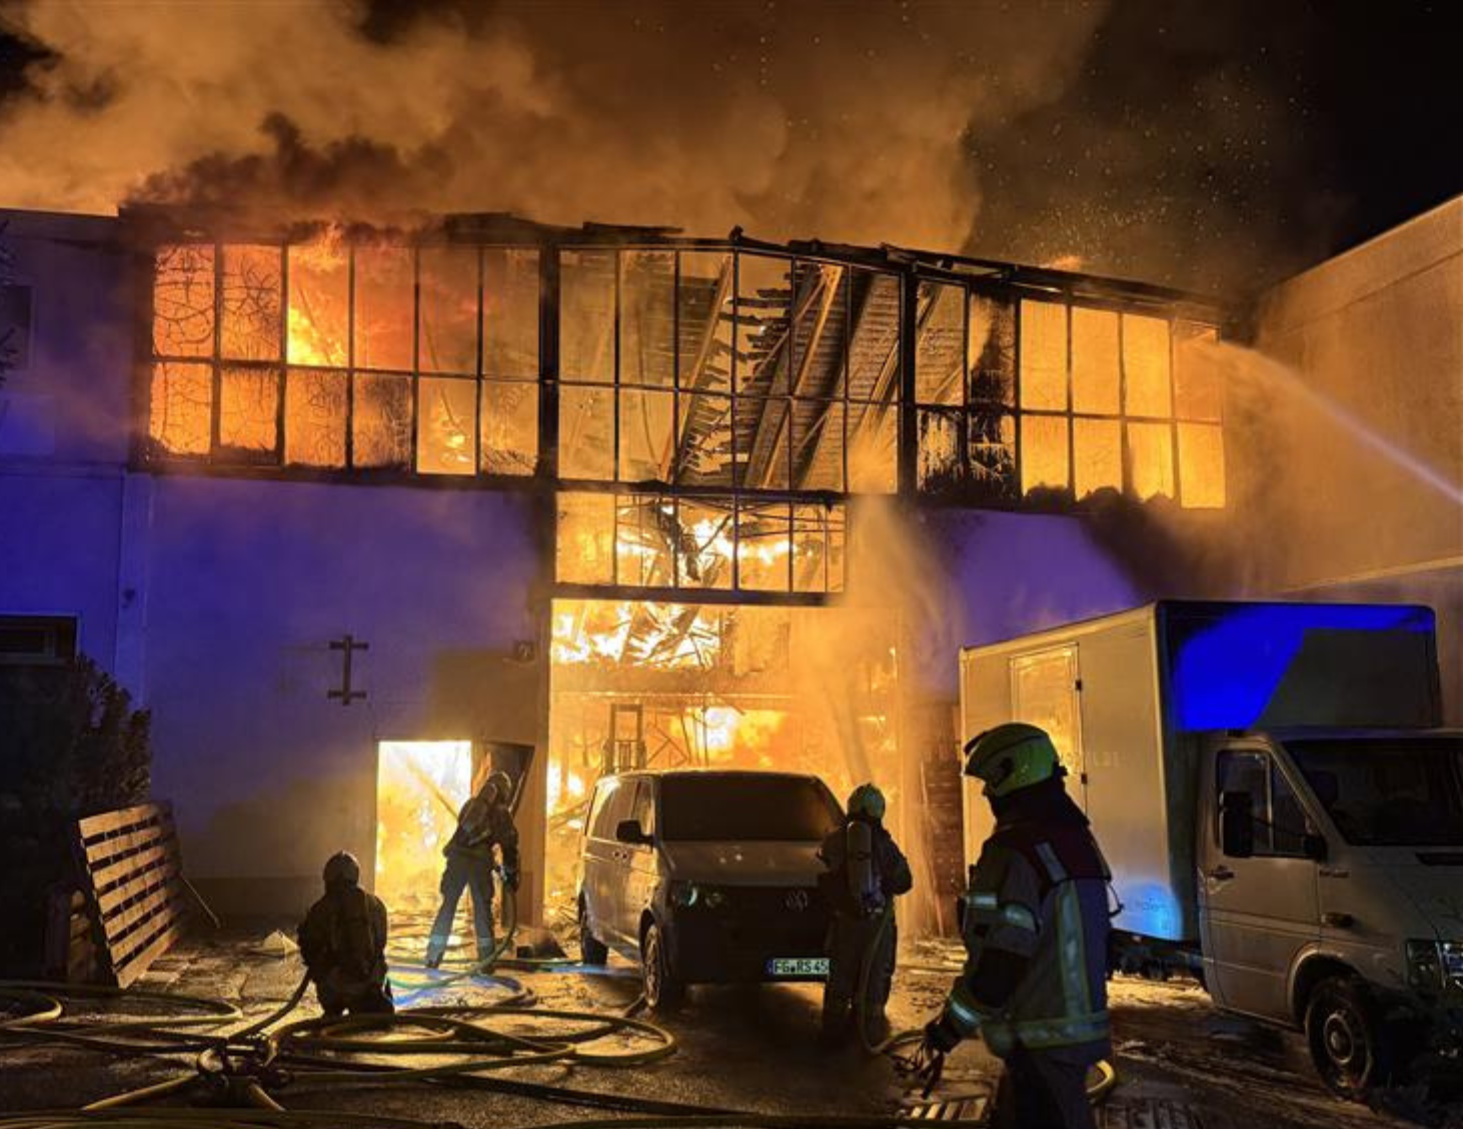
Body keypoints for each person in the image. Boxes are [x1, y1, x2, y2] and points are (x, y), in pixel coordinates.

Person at [920, 723, 1111, 1129]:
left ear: (1013, 773)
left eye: (990, 783)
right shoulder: (1077, 842)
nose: (986, 795)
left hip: (1038, 1039)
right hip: (1069, 1033)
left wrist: (949, 1028)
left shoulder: (1013, 852)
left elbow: (1001, 962)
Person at [817, 782, 912, 1048]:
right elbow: (905, 881)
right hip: (877, 923)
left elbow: (824, 867)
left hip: (844, 921)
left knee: (839, 975)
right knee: (875, 975)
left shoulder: (834, 840)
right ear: (878, 810)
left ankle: (831, 1033)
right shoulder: (884, 843)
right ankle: (869, 1033)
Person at [424, 768, 520, 969]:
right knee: (482, 909)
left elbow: (463, 832)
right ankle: (486, 960)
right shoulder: (501, 813)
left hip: (456, 860)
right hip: (479, 864)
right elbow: (510, 846)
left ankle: (433, 955)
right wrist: (511, 874)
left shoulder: (470, 804)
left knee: (448, 905)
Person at [297, 850, 393, 1018]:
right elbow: (381, 944)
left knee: (330, 1001)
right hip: (371, 984)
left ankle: (333, 1012)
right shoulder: (376, 904)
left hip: (335, 989)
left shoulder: (320, 909)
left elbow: (309, 950)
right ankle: (374, 1001)